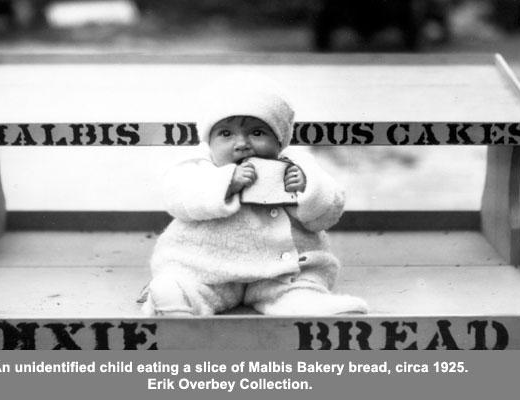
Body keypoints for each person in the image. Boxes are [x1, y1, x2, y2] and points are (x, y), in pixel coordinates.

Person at [141, 86, 367, 316]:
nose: (242, 144)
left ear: (279, 141)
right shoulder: (199, 167)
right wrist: (226, 183)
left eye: (257, 133)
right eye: (226, 134)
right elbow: (178, 198)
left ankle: (304, 301)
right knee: (185, 281)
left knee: (298, 284)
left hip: (279, 270)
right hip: (208, 266)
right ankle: (178, 298)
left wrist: (306, 188)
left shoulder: (297, 165)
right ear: (209, 142)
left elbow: (330, 209)